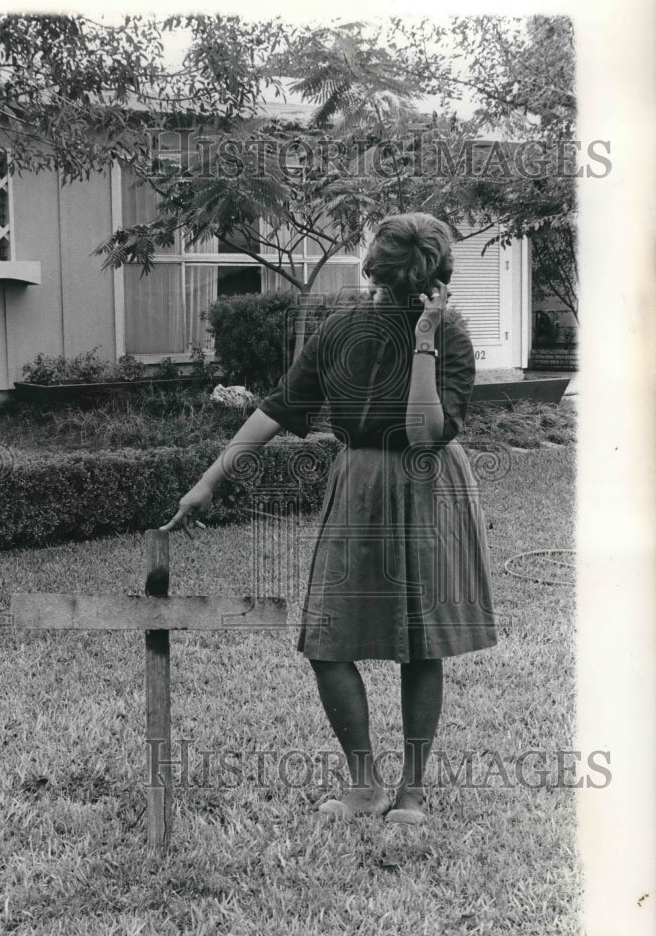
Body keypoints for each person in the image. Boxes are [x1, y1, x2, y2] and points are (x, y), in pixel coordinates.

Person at [162, 212, 497, 824]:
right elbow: (281, 407)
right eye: (388, 280)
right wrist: (208, 483)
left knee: (421, 644)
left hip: (426, 483)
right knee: (327, 637)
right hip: (360, 481)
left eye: (399, 282)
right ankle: (364, 783)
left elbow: (426, 431)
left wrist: (424, 338)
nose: (388, 292)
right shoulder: (341, 329)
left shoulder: (447, 335)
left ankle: (413, 792)